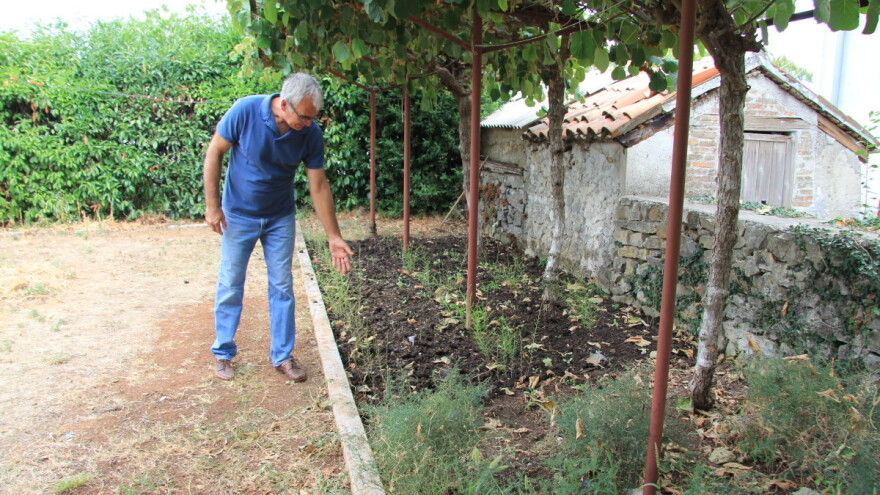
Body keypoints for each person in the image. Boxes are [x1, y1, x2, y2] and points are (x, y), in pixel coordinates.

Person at [203, 72, 353, 382]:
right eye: (305, 116)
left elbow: (319, 185)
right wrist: (212, 206)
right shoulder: (245, 111)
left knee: (282, 286)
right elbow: (214, 151)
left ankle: (282, 356)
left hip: (280, 217)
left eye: (314, 117)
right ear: (284, 104)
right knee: (231, 282)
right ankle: (223, 352)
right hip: (238, 215)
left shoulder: (310, 133)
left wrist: (334, 236)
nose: (309, 123)